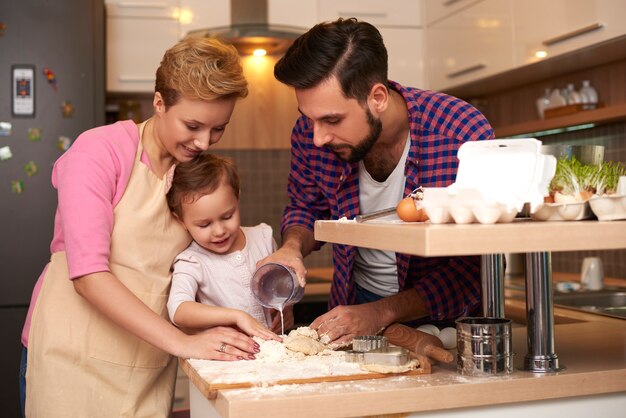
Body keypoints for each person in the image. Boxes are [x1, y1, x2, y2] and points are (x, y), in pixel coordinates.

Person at [20, 36, 256, 418]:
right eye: (193, 125)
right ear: (159, 103)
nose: (203, 142)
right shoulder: (99, 151)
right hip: (70, 362)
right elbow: (89, 276)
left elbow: (208, 260)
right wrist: (183, 342)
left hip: (145, 367)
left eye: (217, 129)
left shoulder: (193, 175)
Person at [266, 18, 495, 347]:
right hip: (355, 307)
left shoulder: (460, 135)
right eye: (308, 118)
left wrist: (381, 313)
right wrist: (290, 249)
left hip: (449, 321)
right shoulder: (311, 133)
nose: (317, 138)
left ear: (377, 98)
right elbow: (306, 206)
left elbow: (476, 267)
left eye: (332, 119)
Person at [166, 153, 286, 337]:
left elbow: (280, 286)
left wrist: (286, 306)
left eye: (227, 216)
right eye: (204, 225)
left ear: (237, 198)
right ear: (181, 220)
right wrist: (235, 316)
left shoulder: (263, 238)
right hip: (228, 360)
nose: (219, 230)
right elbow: (178, 310)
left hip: (273, 356)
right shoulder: (192, 261)